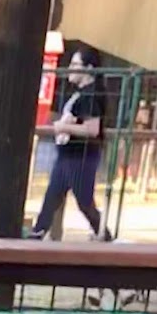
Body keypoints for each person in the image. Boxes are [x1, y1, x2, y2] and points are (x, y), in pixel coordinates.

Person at [29, 45, 109, 239]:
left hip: (81, 156)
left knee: (84, 202)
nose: (70, 68)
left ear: (89, 68)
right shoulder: (82, 93)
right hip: (69, 153)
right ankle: (38, 232)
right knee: (53, 195)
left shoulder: (90, 95)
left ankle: (104, 235)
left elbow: (93, 129)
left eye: (75, 64)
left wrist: (64, 127)